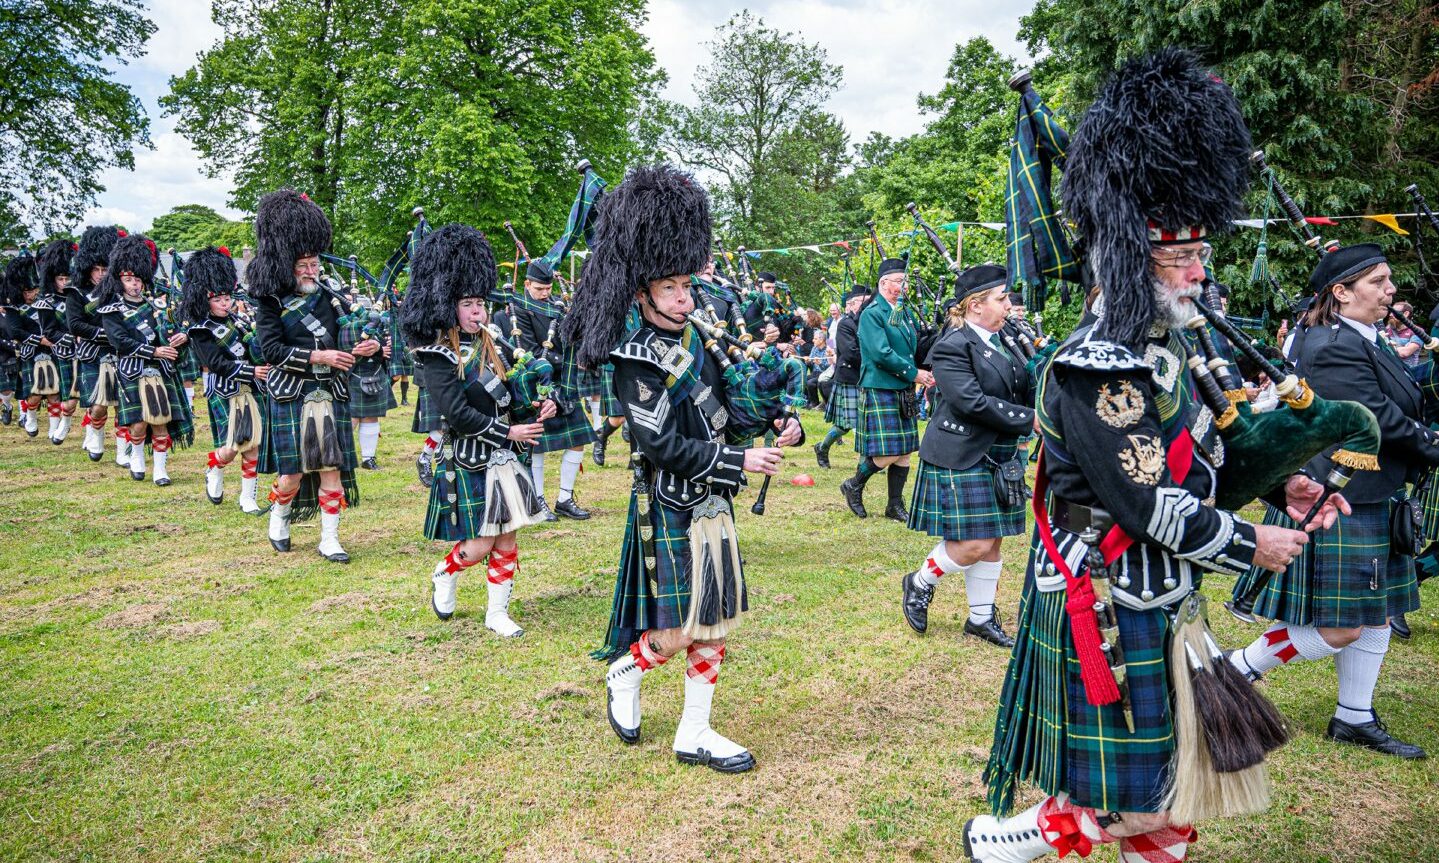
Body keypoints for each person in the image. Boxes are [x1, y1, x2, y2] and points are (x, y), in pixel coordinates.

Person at [973, 51, 1334, 863]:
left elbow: (1210, 453)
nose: (1200, 275)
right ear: (1128, 260)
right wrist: (1252, 543)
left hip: (1159, 584)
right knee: (1143, 795)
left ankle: (1026, 837)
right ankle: (1020, 838)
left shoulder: (1169, 348)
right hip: (1105, 586)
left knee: (1167, 793)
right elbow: (1150, 503)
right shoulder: (1099, 364)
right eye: (1180, 259)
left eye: (1199, 256)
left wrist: (1288, 485)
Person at [564, 164, 802, 774]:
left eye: (686, 287)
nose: (684, 299)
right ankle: (627, 669)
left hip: (713, 501)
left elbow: (725, 412)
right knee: (678, 630)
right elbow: (662, 443)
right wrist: (737, 459)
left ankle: (694, 731)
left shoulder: (698, 340)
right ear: (641, 293)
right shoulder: (634, 359)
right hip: (671, 498)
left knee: (715, 622)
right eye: (670, 289)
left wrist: (773, 418)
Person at [1227, 243, 1435, 758]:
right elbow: (1379, 420)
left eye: (1390, 280)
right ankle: (1234, 668)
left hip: (1372, 491)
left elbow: (1405, 402)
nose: (1391, 290)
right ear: (1340, 292)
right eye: (1378, 281)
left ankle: (1354, 717)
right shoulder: (1332, 345)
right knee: (1341, 627)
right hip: (1340, 495)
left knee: (1378, 612)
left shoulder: (1370, 339)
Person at [402, 223, 553, 635]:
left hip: (506, 456)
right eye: (468, 304)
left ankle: (497, 614)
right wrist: (508, 434)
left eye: (481, 303)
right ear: (446, 304)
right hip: (470, 458)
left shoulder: (494, 340)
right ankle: (446, 572)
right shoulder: (436, 354)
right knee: (482, 542)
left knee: (508, 538)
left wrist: (541, 401)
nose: (478, 312)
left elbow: (513, 390)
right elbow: (456, 413)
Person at [901, 265, 1032, 649]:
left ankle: (980, 618)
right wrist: (1030, 420)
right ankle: (920, 580)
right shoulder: (952, 346)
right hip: (961, 453)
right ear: (975, 305)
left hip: (998, 453)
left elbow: (1022, 385)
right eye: (1002, 298)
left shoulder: (1003, 339)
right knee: (973, 543)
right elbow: (971, 402)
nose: (1009, 305)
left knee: (993, 542)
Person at [250, 189, 362, 563]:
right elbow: (271, 351)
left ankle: (330, 539)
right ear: (287, 264)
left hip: (329, 388)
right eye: (303, 264)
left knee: (332, 466)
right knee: (292, 475)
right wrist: (318, 354)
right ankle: (280, 515)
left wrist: (365, 347)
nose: (311, 270)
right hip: (291, 391)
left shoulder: (331, 296)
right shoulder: (270, 301)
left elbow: (349, 336)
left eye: (314, 262)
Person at [96, 234, 195, 485]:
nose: (134, 284)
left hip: (160, 371)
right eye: (129, 279)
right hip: (132, 369)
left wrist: (178, 340)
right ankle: (137, 458)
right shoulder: (111, 309)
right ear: (119, 280)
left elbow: (169, 339)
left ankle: (160, 470)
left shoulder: (158, 306)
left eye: (138, 279)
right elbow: (119, 341)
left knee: (160, 422)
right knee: (138, 424)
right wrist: (153, 352)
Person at [841, 259, 933, 521]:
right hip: (880, 385)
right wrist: (915, 373)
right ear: (884, 283)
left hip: (900, 387)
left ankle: (894, 505)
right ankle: (854, 484)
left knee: (904, 450)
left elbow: (909, 347)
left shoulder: (901, 312)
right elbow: (881, 353)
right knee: (889, 451)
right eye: (899, 282)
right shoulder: (873, 314)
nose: (903, 287)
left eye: (904, 282)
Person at [183, 246, 270, 512]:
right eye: (218, 300)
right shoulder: (200, 330)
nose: (225, 304)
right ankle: (214, 465)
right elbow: (216, 364)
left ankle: (248, 498)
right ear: (205, 300)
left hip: (252, 388)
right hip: (225, 390)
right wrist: (252, 371)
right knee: (233, 446)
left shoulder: (240, 320)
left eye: (227, 298)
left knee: (253, 444)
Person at [66, 226, 124, 462]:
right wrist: (105, 333)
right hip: (92, 354)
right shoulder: (76, 293)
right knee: (99, 405)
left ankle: (123, 452)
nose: (100, 274)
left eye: (105, 269)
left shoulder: (120, 292)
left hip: (120, 353)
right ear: (88, 269)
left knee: (122, 405)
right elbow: (75, 325)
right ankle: (96, 436)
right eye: (96, 269)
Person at [814, 284, 869, 468]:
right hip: (850, 377)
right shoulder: (846, 323)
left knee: (865, 422)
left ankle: (865, 463)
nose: (865, 306)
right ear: (851, 305)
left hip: (868, 377)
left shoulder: (871, 322)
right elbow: (851, 353)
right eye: (862, 302)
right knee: (847, 425)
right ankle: (822, 447)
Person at [32, 240, 80, 444]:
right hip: (63, 353)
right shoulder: (46, 303)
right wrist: (73, 338)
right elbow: (50, 331)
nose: (66, 282)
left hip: (88, 352)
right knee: (68, 400)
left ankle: (93, 435)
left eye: (69, 277)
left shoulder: (79, 298)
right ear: (53, 279)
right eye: (62, 278)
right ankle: (65, 422)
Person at [342, 302, 395, 470]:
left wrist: (380, 348)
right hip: (353, 371)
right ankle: (341, 455)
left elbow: (386, 346)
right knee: (352, 417)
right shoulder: (345, 323)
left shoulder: (380, 323)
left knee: (371, 415)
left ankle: (368, 458)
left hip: (374, 370)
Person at [1383, 301, 1425, 368]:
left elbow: (1405, 353)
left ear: (1406, 313)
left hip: (1407, 372)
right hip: (1389, 369)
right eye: (1390, 311)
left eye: (1394, 312)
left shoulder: (1418, 331)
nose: (1390, 314)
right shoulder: (1387, 329)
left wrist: (1386, 347)